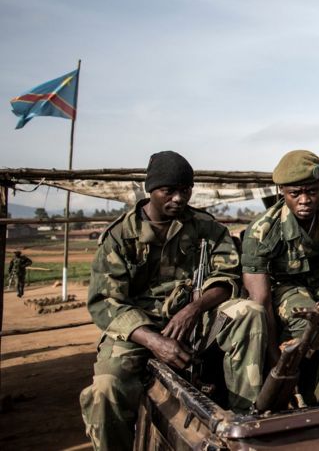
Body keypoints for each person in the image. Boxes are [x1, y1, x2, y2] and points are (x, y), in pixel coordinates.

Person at [79, 151, 268, 451]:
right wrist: (154, 342)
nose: (179, 198)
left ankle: (244, 423)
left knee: (248, 312)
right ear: (150, 190)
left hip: (196, 316)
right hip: (137, 329)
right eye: (169, 191)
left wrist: (195, 308)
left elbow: (227, 277)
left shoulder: (206, 227)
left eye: (185, 190)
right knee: (106, 389)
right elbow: (105, 302)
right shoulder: (120, 237)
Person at [241, 150, 319, 364]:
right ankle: (295, 382)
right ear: (281, 191)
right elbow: (261, 302)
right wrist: (276, 360)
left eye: (312, 191)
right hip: (286, 288)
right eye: (295, 194)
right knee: (310, 324)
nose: (305, 200)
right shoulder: (262, 231)